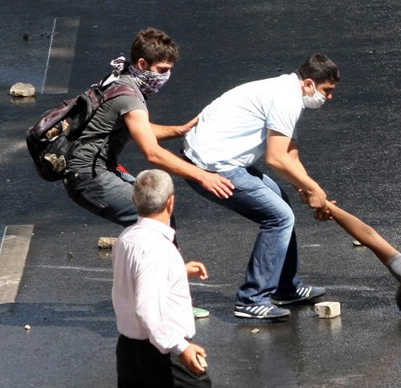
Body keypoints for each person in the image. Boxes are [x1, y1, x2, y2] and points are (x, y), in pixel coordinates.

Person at [63, 27, 232, 317]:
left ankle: (159, 293)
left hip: (97, 170)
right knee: (155, 217)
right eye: (163, 69)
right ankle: (166, 302)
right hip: (89, 177)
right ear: (143, 65)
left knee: (159, 216)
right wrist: (202, 175)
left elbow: (138, 128)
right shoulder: (130, 94)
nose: (166, 76)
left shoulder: (120, 80)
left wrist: (178, 131)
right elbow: (151, 152)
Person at [182, 54, 339, 319]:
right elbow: (276, 158)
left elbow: (290, 154)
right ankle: (251, 299)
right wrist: (314, 190)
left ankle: (284, 288)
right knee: (279, 217)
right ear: (309, 84)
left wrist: (308, 188)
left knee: (281, 204)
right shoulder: (286, 99)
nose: (329, 98)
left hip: (221, 159)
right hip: (211, 167)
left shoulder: (287, 91)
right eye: (327, 91)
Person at [112, 169, 212, 387]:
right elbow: (147, 310)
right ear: (171, 203)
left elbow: (135, 279)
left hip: (129, 352)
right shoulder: (158, 249)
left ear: (134, 200)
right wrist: (181, 347)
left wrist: (178, 271)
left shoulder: (126, 239)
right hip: (161, 354)